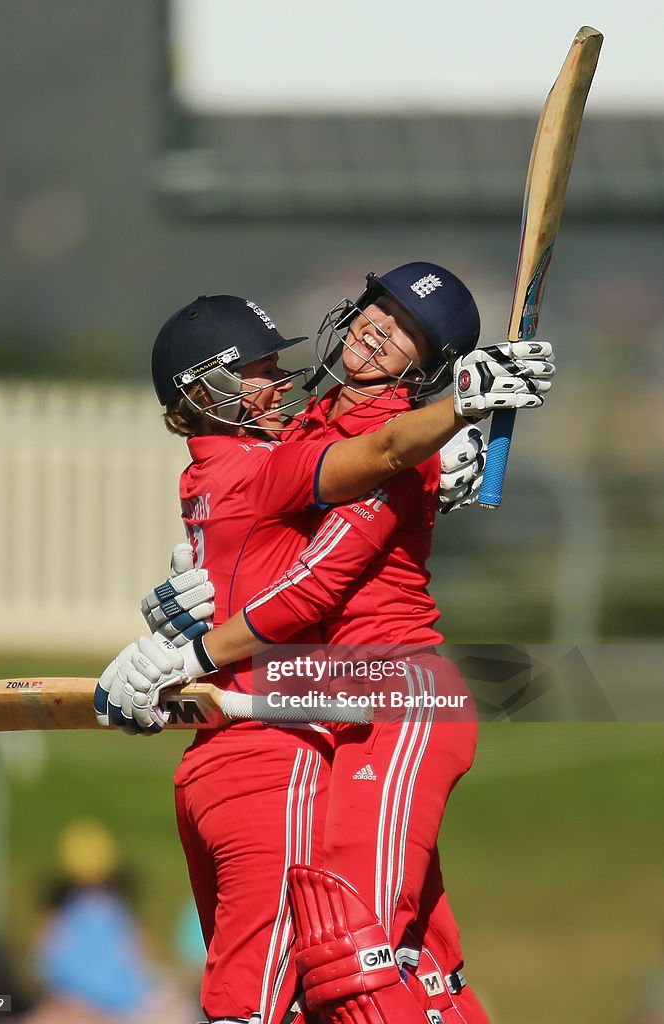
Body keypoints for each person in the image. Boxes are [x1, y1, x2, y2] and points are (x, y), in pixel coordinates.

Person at [96, 274, 554, 1024]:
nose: (379, 328)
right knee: (416, 970)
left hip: (395, 692)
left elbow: (327, 556)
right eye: (380, 306)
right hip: (328, 701)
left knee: (349, 952)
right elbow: (282, 524)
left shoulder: (390, 437)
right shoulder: (299, 428)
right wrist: (188, 598)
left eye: (408, 329)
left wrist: (452, 421)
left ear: (430, 364)